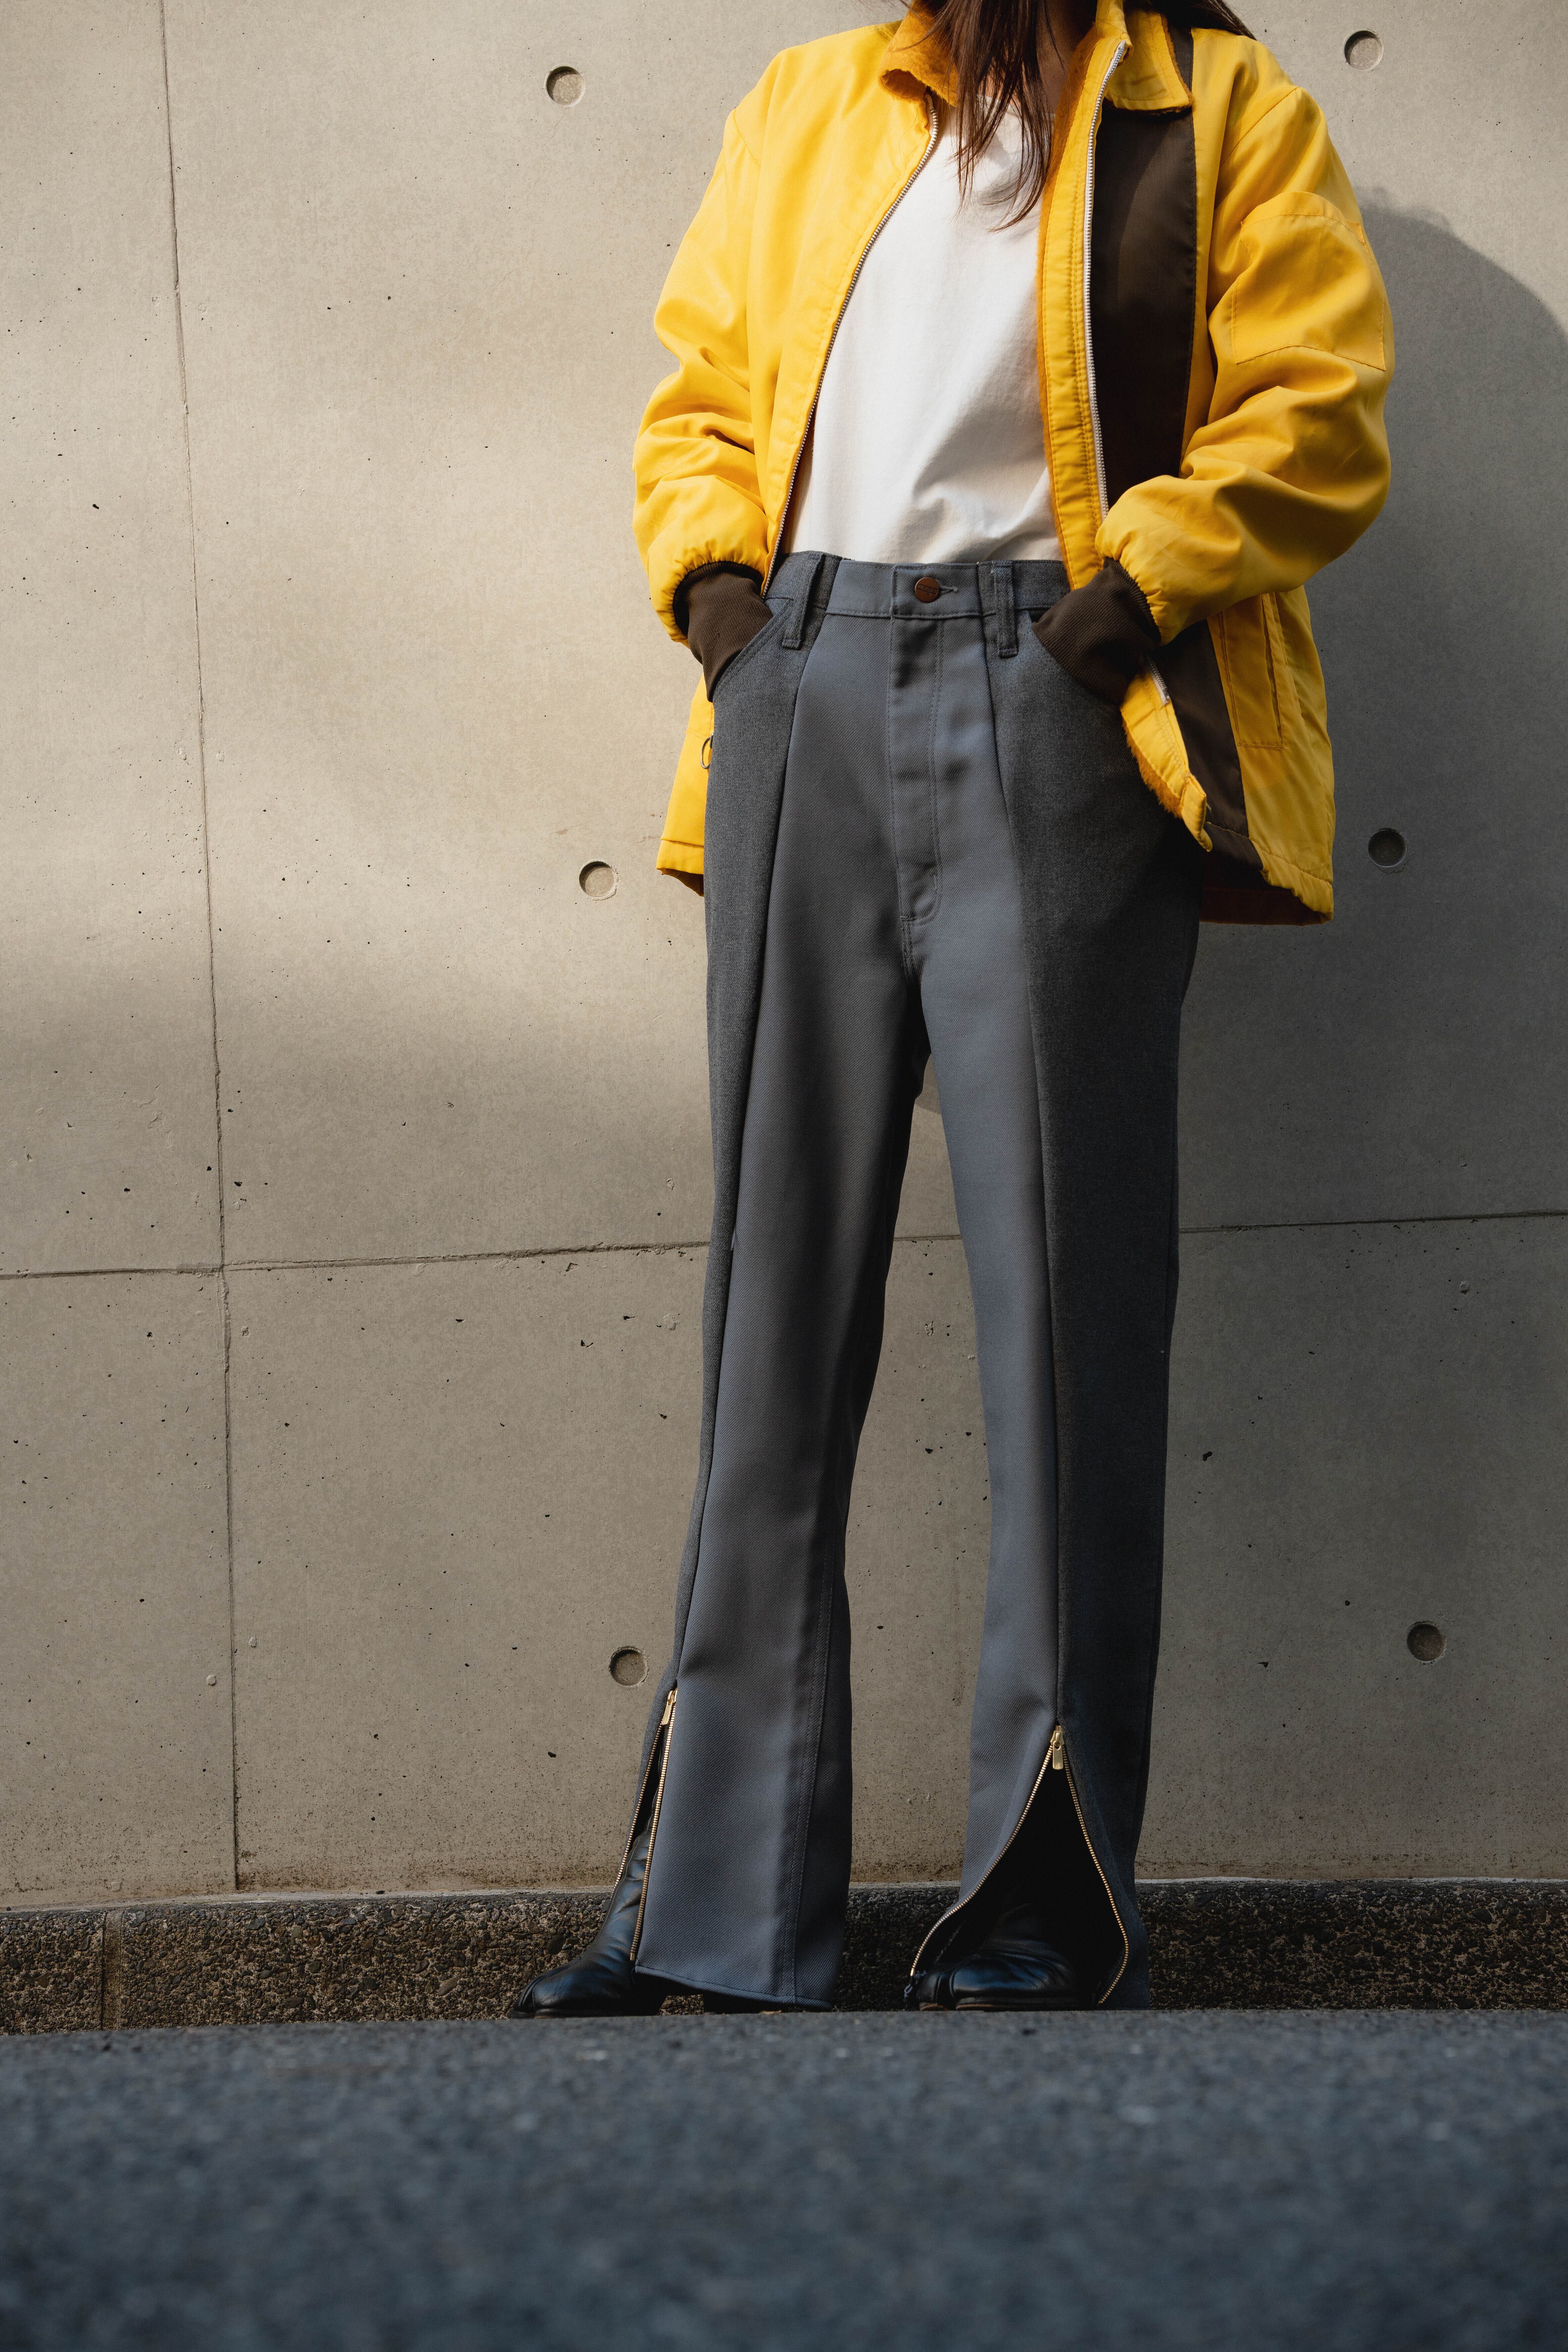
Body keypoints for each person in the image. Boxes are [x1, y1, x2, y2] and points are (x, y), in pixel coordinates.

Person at [513, 0, 1391, 2016]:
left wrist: (1121, 604)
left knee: (1070, 1311)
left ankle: (1038, 1896)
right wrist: (728, 617)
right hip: (799, 679)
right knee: (769, 1322)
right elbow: (699, 397)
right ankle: (715, 1916)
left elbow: (1317, 409)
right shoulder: (815, 99)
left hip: (1059, 694)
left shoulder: (1219, 109)